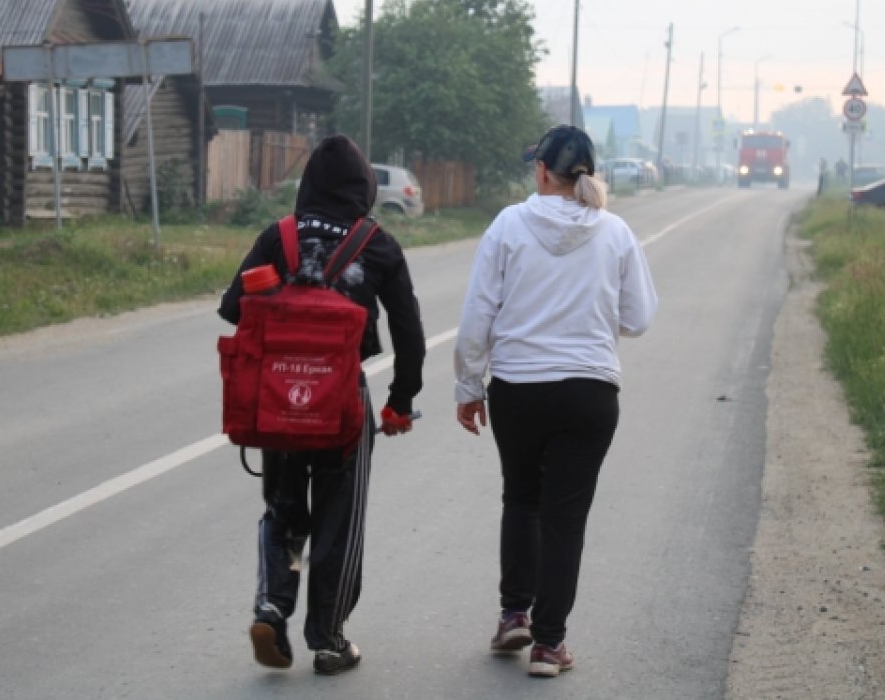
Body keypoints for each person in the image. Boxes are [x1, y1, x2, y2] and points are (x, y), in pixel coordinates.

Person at [453, 125, 658, 678]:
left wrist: (469, 387)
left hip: (518, 391)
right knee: (565, 519)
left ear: (542, 171)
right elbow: (638, 318)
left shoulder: (507, 226)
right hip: (590, 394)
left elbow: (477, 317)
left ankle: (513, 613)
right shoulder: (615, 233)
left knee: (521, 498)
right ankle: (548, 645)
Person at [218, 134, 425, 676]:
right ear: (365, 188)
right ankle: (330, 640)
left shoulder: (278, 235)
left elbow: (230, 307)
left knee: (284, 509)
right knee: (340, 520)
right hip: (341, 407)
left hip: (276, 402)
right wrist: (400, 401)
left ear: (308, 183)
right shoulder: (375, 243)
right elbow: (409, 329)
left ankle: (272, 605)